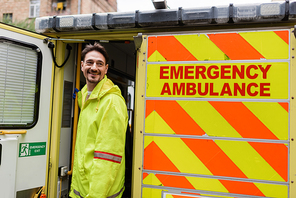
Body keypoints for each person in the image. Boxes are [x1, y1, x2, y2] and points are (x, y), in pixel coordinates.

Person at [69, 42, 128, 198]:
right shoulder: (85, 97)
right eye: (90, 62)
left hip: (98, 193)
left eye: (99, 64)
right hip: (82, 188)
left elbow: (107, 158)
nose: (94, 68)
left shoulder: (111, 102)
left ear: (106, 69)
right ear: (82, 66)